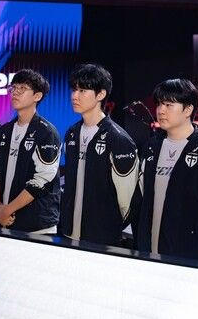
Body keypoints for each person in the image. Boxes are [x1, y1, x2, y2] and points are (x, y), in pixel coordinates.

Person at [134, 79, 198, 261]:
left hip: (190, 257)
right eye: (159, 104)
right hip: (149, 253)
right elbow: (141, 197)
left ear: (188, 110)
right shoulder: (151, 147)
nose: (161, 110)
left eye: (169, 105)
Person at [59, 63, 138, 246]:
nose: (74, 96)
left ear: (101, 94)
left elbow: (128, 200)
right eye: (74, 90)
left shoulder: (118, 139)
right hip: (68, 232)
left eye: (82, 90)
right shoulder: (72, 133)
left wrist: (108, 225)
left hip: (101, 238)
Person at [0, 69, 61, 233]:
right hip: (2, 220)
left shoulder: (47, 132)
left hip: (36, 225)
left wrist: (8, 209)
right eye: (13, 88)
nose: (15, 92)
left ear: (37, 96)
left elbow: (42, 180)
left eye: (22, 88)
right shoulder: (4, 131)